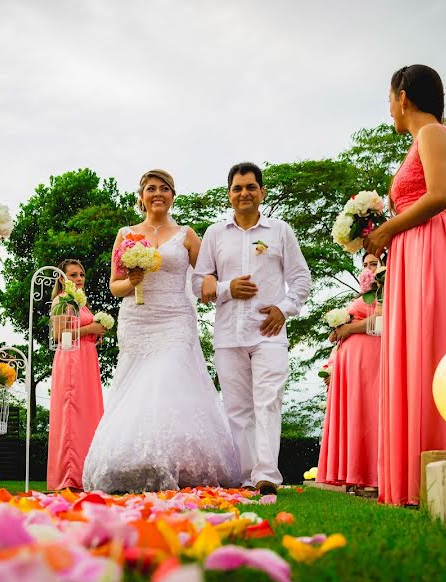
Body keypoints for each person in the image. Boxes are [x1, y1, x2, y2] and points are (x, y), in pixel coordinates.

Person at [363, 65, 446, 505]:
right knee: (414, 350)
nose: (389, 108)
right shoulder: (422, 138)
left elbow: (440, 194)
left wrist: (387, 229)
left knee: (429, 349)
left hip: (429, 249)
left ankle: (432, 468)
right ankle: (413, 475)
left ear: (404, 97)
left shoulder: (431, 133)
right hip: (414, 251)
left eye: (390, 99)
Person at [83, 169, 239, 493]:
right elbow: (115, 286)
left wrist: (217, 283)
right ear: (141, 196)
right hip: (137, 320)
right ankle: (137, 463)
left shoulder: (186, 235)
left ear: (172, 195)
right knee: (137, 387)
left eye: (164, 188)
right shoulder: (126, 234)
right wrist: (132, 282)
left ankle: (178, 462)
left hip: (176, 319)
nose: (158, 193)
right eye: (151, 188)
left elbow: (206, 275)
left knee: (169, 380)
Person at [195, 162, 312, 495]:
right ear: (229, 195)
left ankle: (266, 476)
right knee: (237, 407)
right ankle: (247, 477)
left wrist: (284, 309)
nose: (243, 193)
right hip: (228, 333)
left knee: (269, 399)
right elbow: (197, 282)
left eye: (250, 187)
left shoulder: (280, 231)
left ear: (262, 192)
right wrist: (227, 288)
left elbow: (301, 278)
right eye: (237, 188)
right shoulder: (215, 235)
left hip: (268, 332)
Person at [316, 253, 382, 490]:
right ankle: (356, 474)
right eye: (365, 265)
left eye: (373, 264)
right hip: (351, 366)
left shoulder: (387, 290)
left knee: (371, 413)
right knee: (356, 415)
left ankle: (374, 476)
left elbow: (382, 321)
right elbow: (341, 333)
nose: (368, 269)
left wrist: (350, 328)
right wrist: (337, 331)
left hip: (372, 360)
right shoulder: (363, 295)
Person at [47, 259, 106, 491]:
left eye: (81, 274)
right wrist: (90, 329)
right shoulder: (62, 300)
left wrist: (96, 334)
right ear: (62, 279)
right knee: (73, 414)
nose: (79, 278)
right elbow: (60, 335)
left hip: (87, 360)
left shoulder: (81, 303)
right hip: (72, 360)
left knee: (88, 414)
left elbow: (80, 331)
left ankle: (88, 472)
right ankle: (71, 475)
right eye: (73, 275)